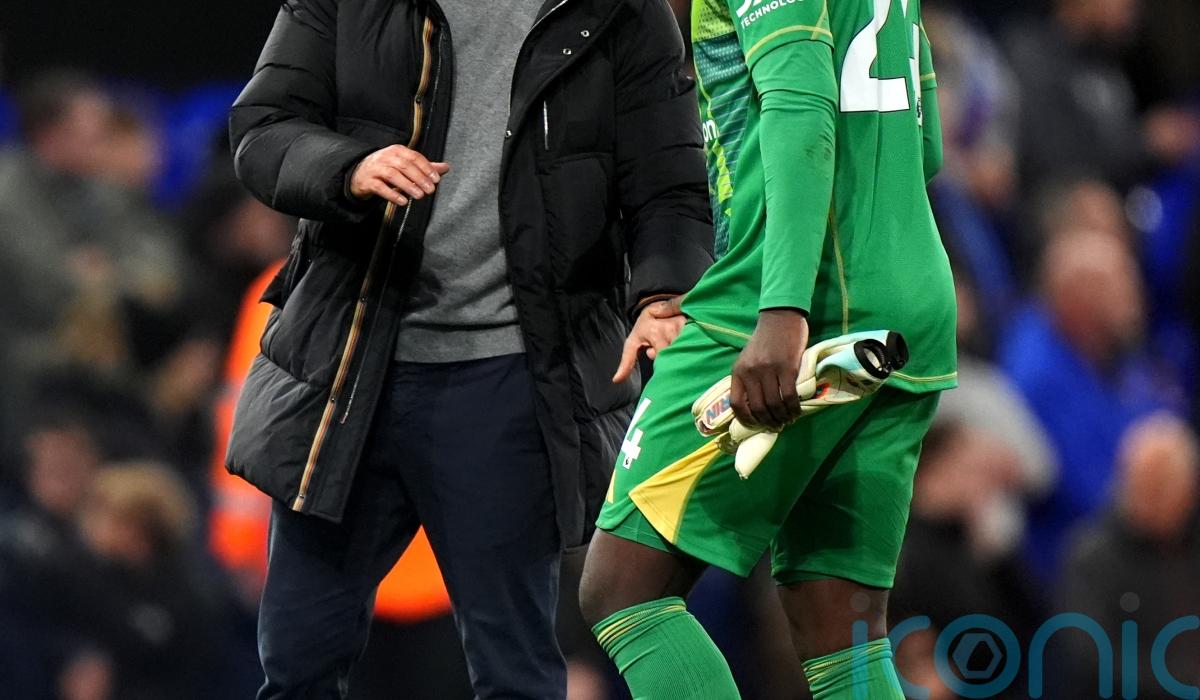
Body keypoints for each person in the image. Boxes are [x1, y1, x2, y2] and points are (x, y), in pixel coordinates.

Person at [226, 1, 713, 698]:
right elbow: (262, 128)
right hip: (352, 366)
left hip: (513, 378)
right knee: (298, 663)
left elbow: (669, 183)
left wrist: (663, 292)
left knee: (515, 672)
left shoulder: (619, 9)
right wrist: (348, 166)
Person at [579, 0, 957, 698]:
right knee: (840, 629)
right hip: (912, 299)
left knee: (622, 588)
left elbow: (800, 107)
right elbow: (926, 142)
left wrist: (782, 311)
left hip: (797, 303)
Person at [1058, 414, 1200, 699]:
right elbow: (1090, 653)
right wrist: (1181, 680)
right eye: (1149, 488)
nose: (1157, 500)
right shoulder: (1093, 555)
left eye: (1169, 487)